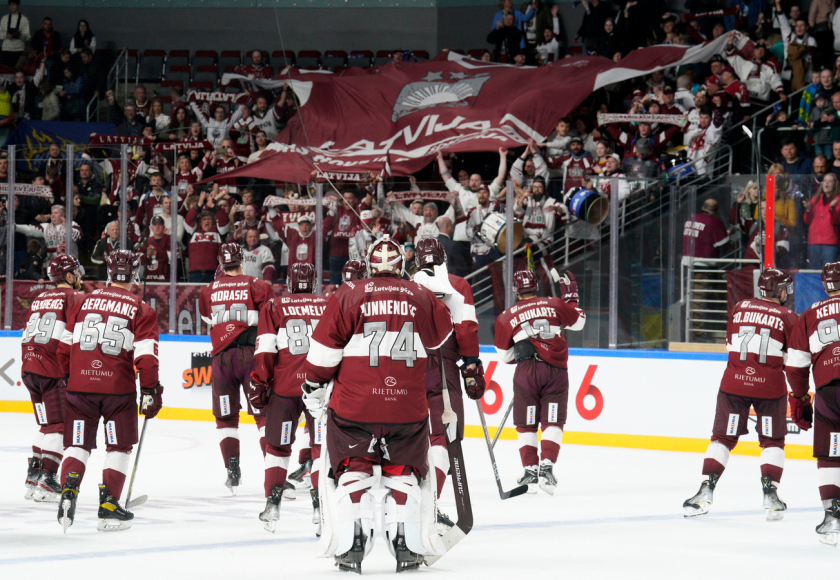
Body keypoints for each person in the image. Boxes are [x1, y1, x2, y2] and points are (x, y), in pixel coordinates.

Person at [302, 235, 453, 573]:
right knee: (403, 473)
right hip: (407, 406)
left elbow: (324, 354)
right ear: (401, 264)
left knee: (354, 469)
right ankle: (406, 544)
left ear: (369, 264)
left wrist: (313, 384)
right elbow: (441, 337)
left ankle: (353, 543)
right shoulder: (420, 295)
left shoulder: (347, 294)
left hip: (354, 407)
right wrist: (436, 293)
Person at [55, 250, 161, 532]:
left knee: (77, 443)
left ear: (109, 272)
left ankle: (68, 491)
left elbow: (64, 347)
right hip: (117, 391)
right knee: (119, 446)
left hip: (80, 388)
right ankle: (110, 504)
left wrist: (71, 375)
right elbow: (147, 357)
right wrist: (150, 389)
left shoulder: (82, 301)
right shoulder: (141, 308)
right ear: (135, 274)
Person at [683, 269, 797, 519]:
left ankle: (705, 490)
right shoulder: (788, 316)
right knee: (772, 442)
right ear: (779, 291)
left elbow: (729, 345)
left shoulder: (739, 306)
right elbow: (792, 359)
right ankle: (771, 495)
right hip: (770, 389)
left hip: (734, 385)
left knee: (721, 438)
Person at [412, 237, 483, 532]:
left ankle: (404, 504)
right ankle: (428, 506)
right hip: (441, 368)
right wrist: (471, 365)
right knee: (443, 436)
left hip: (406, 368)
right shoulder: (458, 285)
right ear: (444, 258)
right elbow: (465, 329)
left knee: (410, 436)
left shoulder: (407, 286)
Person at [494, 268, 585, 494]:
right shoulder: (554, 304)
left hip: (526, 372)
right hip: (556, 372)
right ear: (536, 286)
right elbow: (579, 322)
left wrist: (525, 350)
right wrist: (571, 298)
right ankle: (547, 468)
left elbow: (504, 356)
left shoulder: (506, 316)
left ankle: (530, 471)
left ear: (515, 290)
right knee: (552, 421)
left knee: (526, 423)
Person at [250, 262, 326, 534]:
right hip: (319, 389)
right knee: (320, 449)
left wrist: (261, 380)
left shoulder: (274, 306)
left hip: (284, 389)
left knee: (277, 448)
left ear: (289, 281)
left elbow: (266, 350)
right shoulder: (327, 305)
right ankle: (320, 509)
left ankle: (272, 504)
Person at [198, 242, 275, 495]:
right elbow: (271, 319)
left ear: (221, 263)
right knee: (263, 414)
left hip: (221, 359)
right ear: (241, 260)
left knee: (225, 418)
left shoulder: (207, 291)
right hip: (251, 356)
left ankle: (232, 471)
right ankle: (274, 470)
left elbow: (209, 320)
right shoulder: (258, 285)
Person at [20, 255, 84, 502]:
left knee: (46, 425)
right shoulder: (75, 297)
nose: (80, 276)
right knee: (59, 425)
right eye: (76, 272)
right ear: (69, 276)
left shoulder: (39, 298)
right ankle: (48, 477)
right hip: (52, 369)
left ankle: (33, 475)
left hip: (29, 367)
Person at [786, 261, 840, 545]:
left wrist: (799, 397)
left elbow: (795, 364)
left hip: (829, 390)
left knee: (831, 453)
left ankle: (832, 516)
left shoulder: (809, 314)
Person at [803, 172, 840, 267]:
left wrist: (831, 208)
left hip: (829, 243)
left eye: (830, 181)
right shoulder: (815, 199)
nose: (827, 183)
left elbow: (835, 221)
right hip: (813, 241)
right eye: (825, 181)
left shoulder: (838, 200)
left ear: (835, 184)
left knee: (828, 272)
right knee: (814, 272)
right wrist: (808, 210)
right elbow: (807, 221)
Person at [15, 205, 81, 258]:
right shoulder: (46, 227)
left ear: (62, 215)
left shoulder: (72, 224)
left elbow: (76, 237)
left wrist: (67, 227)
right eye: (52, 213)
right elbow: (30, 229)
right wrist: (16, 227)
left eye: (56, 213)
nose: (53, 215)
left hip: (70, 261)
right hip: (52, 262)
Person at [141, 216, 171, 282]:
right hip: (148, 280)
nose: (157, 227)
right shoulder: (146, 241)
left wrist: (155, 253)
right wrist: (147, 256)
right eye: (155, 225)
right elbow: (138, 258)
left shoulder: (170, 239)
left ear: (164, 227)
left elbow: (172, 258)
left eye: (160, 225)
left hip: (165, 280)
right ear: (151, 228)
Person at [0, 0, 29, 67]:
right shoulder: (4, 18)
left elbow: (27, 36)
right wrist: (6, 35)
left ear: (18, 6)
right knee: (6, 72)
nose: (11, 7)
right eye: (10, 5)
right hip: (6, 49)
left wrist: (19, 35)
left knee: (18, 71)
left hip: (19, 50)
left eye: (14, 5)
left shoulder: (24, 19)